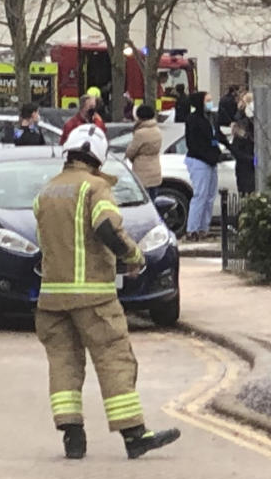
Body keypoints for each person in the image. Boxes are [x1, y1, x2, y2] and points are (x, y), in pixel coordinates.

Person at [33, 124, 181, 459]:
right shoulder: (95, 187)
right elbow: (106, 227)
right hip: (93, 297)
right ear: (98, 158)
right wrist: (132, 256)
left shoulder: (46, 192)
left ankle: (72, 436)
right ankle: (134, 435)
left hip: (51, 299)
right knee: (114, 358)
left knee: (63, 363)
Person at [184, 92, 228, 241]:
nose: (210, 103)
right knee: (200, 195)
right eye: (207, 100)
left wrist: (228, 146)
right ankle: (192, 229)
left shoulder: (212, 118)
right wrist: (210, 155)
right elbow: (194, 143)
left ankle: (204, 228)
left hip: (211, 160)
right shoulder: (193, 119)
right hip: (199, 161)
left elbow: (218, 135)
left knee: (210, 196)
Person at [125, 104, 162, 201]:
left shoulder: (140, 133)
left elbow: (130, 151)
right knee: (153, 200)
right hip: (156, 170)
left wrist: (132, 158)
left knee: (142, 200)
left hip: (142, 172)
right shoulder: (157, 130)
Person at [231, 92, 256, 195]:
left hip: (248, 166)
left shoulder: (252, 123)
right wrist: (253, 159)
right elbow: (237, 150)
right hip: (246, 168)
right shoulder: (242, 125)